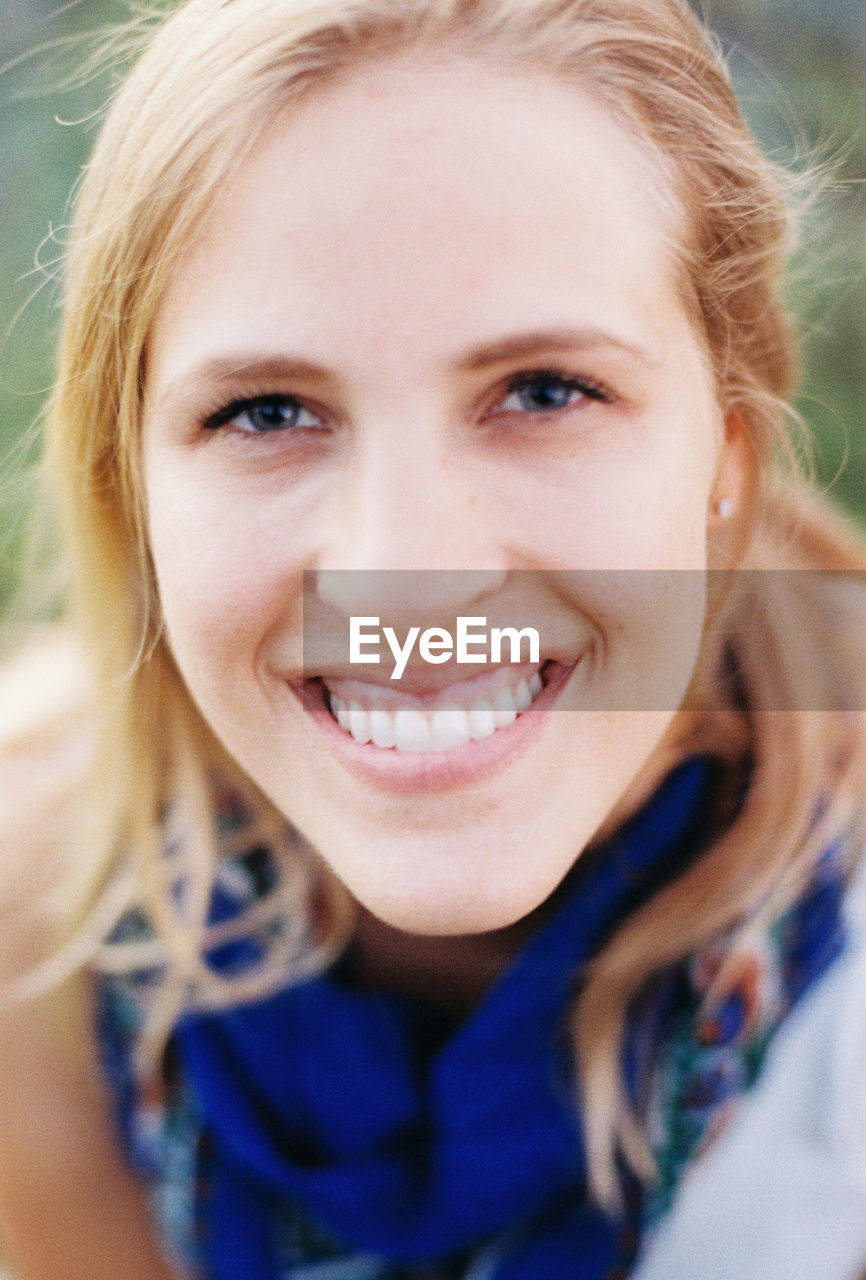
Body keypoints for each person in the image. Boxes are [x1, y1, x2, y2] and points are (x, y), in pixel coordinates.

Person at [1, 0, 866, 1276]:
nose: (406, 567)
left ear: (720, 458)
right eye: (268, 410)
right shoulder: (44, 921)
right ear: (135, 492)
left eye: (544, 391)